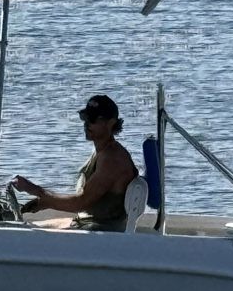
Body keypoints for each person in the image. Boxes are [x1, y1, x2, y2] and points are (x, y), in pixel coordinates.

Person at [11, 93, 140, 230]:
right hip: (89, 222)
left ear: (111, 123)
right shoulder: (102, 151)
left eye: (93, 119)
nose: (87, 124)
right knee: (28, 226)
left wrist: (37, 191)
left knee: (27, 232)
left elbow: (81, 202)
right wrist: (44, 201)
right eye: (85, 118)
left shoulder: (112, 159)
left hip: (101, 230)